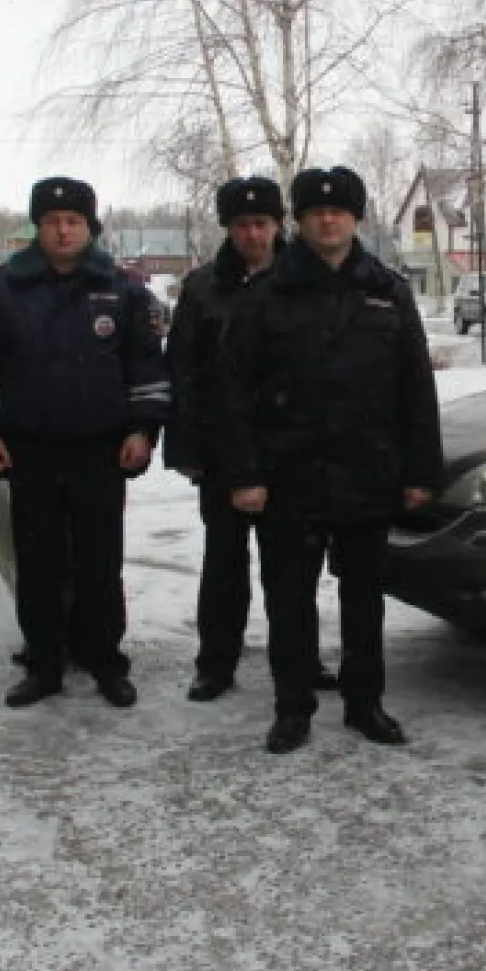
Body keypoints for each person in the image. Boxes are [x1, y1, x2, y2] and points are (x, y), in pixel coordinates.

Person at [218, 165, 442, 754]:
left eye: (339, 210)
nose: (328, 219)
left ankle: (366, 704)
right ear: (299, 219)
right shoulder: (266, 295)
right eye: (316, 211)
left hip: (367, 473)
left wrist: (421, 472)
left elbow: (414, 387)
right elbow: (234, 393)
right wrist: (244, 474)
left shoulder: (387, 291)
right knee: (289, 598)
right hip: (287, 476)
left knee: (364, 600)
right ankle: (293, 708)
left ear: (356, 218)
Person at [0, 176, 169, 708]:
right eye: (52, 222)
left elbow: (145, 367)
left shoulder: (122, 290)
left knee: (101, 562)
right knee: (40, 562)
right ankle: (43, 661)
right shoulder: (4, 288)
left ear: (89, 228)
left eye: (73, 221)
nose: (62, 230)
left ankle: (104, 658)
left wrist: (143, 430)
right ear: (38, 227)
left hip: (100, 449)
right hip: (31, 449)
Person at [165, 176, 332, 701]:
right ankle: (216, 662)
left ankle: (300, 661)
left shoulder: (303, 279)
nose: (253, 234)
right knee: (224, 564)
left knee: (292, 571)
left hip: (289, 449)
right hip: (220, 449)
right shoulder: (202, 288)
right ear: (228, 229)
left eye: (261, 224)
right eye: (242, 225)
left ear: (278, 225)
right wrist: (186, 448)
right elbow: (184, 372)